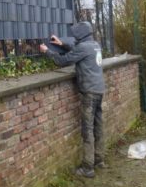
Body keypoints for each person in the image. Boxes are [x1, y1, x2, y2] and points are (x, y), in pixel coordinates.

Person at [40, 21, 106, 178]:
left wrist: (47, 51)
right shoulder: (95, 45)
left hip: (89, 92)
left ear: (80, 35)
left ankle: (88, 168)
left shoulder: (83, 47)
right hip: (99, 89)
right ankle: (99, 160)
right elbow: (78, 52)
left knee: (87, 129)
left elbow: (63, 61)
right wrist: (62, 43)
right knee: (98, 125)